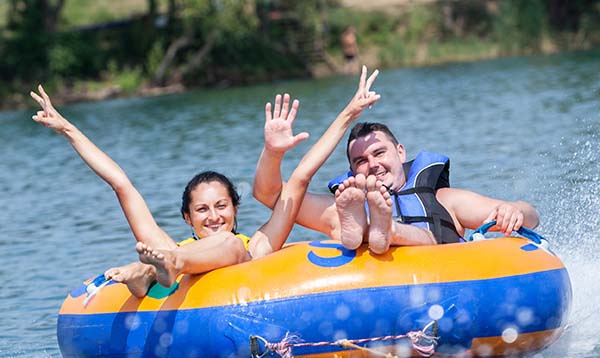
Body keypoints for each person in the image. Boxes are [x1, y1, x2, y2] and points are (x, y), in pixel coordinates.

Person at [30, 71, 380, 296]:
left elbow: (301, 177)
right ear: (188, 218)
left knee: (228, 246)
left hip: (174, 262)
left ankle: (148, 274)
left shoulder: (257, 245)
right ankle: (147, 274)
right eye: (201, 209)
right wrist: (68, 129)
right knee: (173, 254)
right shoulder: (167, 245)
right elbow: (121, 184)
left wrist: (348, 113)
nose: (213, 216)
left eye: (221, 206)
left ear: (235, 209)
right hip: (171, 260)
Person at [253, 76, 540, 255]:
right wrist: (272, 153)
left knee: (414, 236)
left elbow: (531, 216)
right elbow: (272, 197)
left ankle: (386, 230)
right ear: (353, 173)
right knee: (349, 220)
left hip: (446, 282)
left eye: (379, 153)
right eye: (361, 161)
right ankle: (371, 230)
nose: (373, 165)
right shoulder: (343, 206)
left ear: (400, 152)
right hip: (381, 292)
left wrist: (513, 210)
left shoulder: (443, 200)